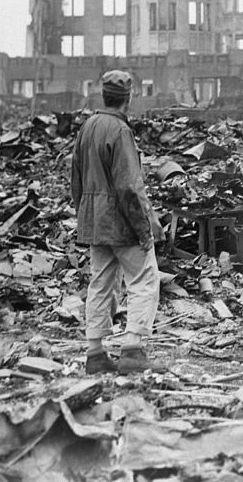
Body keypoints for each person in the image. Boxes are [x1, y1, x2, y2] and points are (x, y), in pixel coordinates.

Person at [70, 70, 165, 374]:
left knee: (100, 283)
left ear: (104, 95)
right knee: (143, 279)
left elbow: (76, 179)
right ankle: (132, 349)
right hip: (121, 223)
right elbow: (128, 187)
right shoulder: (120, 131)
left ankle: (95, 353)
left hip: (95, 222)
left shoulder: (87, 127)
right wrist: (144, 228)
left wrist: (85, 215)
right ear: (128, 98)